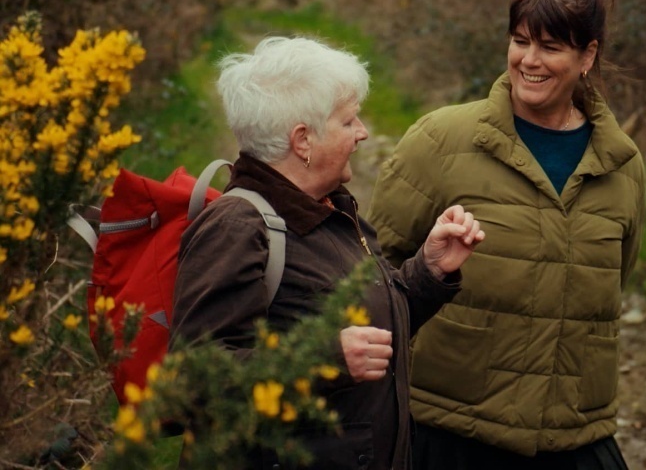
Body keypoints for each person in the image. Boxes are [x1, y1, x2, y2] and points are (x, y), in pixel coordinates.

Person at [368, 0, 645, 470]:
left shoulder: (622, 165)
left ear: (589, 55)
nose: (529, 60)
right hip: (450, 434)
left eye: (550, 46)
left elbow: (610, 284)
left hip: (575, 438)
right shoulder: (440, 140)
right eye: (521, 41)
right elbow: (370, 274)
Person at [169, 35, 485, 470]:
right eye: (349, 121)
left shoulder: (334, 210)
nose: (363, 133)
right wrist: (324, 360)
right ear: (303, 140)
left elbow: (369, 335)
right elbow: (193, 378)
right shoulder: (237, 228)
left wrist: (428, 273)